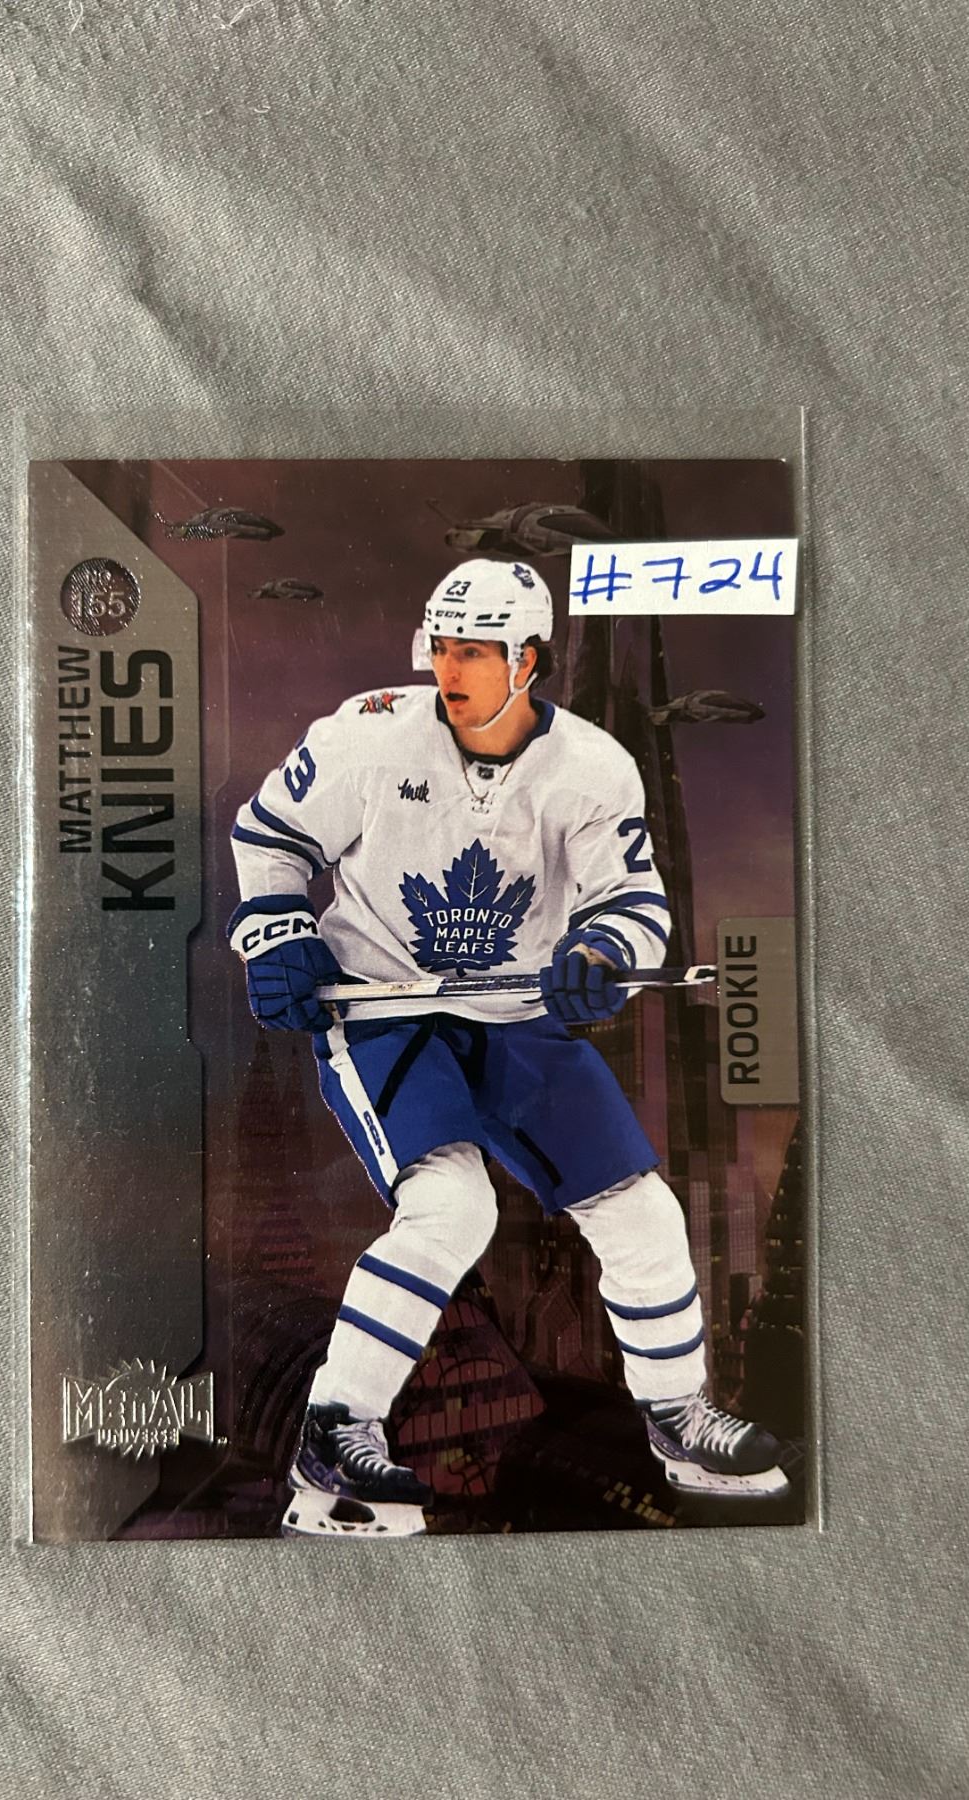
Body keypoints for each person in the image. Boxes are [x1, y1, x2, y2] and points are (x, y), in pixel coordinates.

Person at [228, 558, 786, 1536]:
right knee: (451, 1208)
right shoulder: (368, 735)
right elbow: (270, 835)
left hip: (518, 1017)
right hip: (386, 1013)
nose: (451, 669)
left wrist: (604, 953)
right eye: (442, 646)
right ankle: (335, 1425)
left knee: (643, 1215)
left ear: (528, 660)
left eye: (477, 651)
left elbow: (630, 899)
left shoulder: (593, 767)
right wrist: (278, 930)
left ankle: (676, 1416)